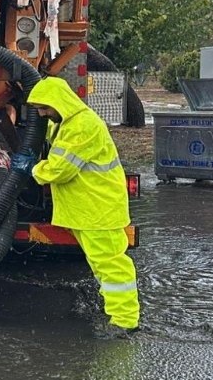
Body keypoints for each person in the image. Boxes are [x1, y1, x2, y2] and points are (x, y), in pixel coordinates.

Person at [10, 77, 140, 338]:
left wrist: (32, 168)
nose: (43, 114)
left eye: (45, 108)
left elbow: (60, 170)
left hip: (98, 209)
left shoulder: (82, 126)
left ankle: (125, 322)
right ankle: (117, 315)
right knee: (102, 265)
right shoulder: (67, 123)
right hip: (87, 210)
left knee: (111, 265)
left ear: (59, 103)